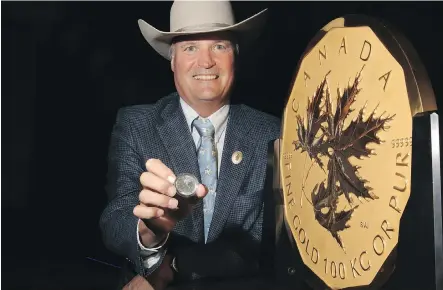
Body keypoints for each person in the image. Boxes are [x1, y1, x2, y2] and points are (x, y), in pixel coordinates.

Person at [99, 1, 280, 289]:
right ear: (172, 60)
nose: (206, 61)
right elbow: (116, 219)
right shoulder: (136, 124)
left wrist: (173, 265)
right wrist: (150, 231)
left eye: (219, 46)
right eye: (191, 48)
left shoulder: (271, 132)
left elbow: (264, 241)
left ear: (236, 55)